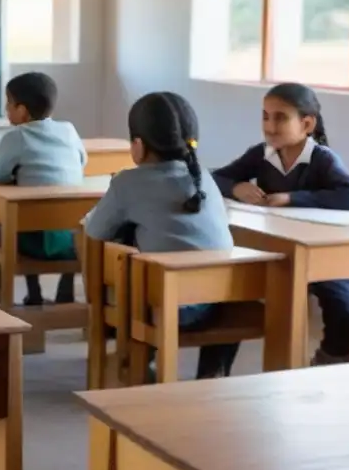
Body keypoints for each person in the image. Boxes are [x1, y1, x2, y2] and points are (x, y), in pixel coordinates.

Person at [84, 91, 239, 380]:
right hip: (221, 298)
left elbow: (94, 232)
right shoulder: (204, 177)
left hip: (169, 305)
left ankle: (137, 361)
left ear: (138, 146)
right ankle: (212, 373)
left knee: (121, 255)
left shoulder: (127, 183)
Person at [212, 82, 349, 365]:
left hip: (323, 256)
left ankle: (327, 362)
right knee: (229, 297)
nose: (270, 126)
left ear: (307, 123)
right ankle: (213, 373)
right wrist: (237, 187)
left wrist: (291, 198)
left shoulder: (322, 159)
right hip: (274, 254)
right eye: (265, 116)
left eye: (281, 117)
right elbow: (214, 178)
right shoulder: (261, 154)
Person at [0, 72, 87, 305]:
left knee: (17, 217)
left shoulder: (16, 137)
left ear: (22, 110)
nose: (6, 109)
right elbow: (82, 162)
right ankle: (66, 286)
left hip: (31, 242)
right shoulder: (69, 130)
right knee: (68, 216)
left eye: (9, 103)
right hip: (72, 241)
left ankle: (34, 293)